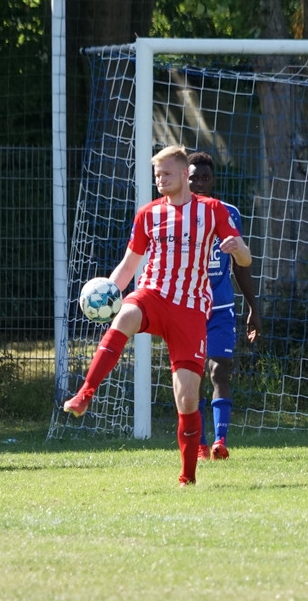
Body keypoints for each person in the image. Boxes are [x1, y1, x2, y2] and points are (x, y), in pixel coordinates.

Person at [63, 145, 252, 486]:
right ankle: (84, 394)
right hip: (153, 294)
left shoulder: (212, 210)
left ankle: (187, 477)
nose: (160, 180)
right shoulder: (148, 214)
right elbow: (129, 266)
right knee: (124, 316)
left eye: (166, 174)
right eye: (157, 175)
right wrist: (110, 292)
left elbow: (246, 260)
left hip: (191, 308)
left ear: (182, 174)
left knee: (187, 397)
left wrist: (239, 249)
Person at [186, 151, 261, 461]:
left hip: (220, 308)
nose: (199, 184)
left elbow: (241, 264)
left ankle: (220, 441)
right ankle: (200, 442)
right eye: (193, 178)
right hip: (187, 309)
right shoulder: (173, 214)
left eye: (205, 178)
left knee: (219, 370)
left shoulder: (228, 213)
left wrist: (253, 306)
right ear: (185, 180)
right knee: (192, 377)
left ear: (213, 180)